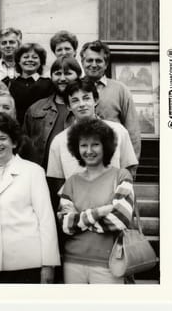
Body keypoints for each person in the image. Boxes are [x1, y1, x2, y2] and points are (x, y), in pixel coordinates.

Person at [0, 112, 60, 283]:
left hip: (27, 265)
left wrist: (48, 264)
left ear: (13, 142)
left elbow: (46, 219)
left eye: (3, 138)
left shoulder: (33, 172)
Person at [57, 118, 134, 284]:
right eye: (83, 145)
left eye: (95, 144)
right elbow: (65, 224)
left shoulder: (121, 176)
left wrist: (79, 221)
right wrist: (100, 212)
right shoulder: (71, 182)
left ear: (105, 146)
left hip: (110, 263)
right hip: (72, 263)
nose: (89, 150)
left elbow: (120, 220)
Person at [47, 78, 138, 183]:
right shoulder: (59, 141)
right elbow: (57, 181)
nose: (82, 104)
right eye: (75, 101)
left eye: (86, 98)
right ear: (68, 106)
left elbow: (129, 169)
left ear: (95, 100)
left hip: (113, 197)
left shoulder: (118, 132)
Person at [80, 40, 141, 159]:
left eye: (98, 61)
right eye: (89, 60)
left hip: (113, 160)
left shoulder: (120, 90)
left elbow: (133, 132)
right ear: (82, 62)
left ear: (106, 64)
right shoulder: (74, 89)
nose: (93, 64)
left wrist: (130, 170)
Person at [22, 56, 81, 170]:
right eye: (58, 73)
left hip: (75, 176)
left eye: (68, 73)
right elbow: (23, 147)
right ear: (51, 77)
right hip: (40, 176)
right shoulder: (35, 109)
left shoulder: (85, 109)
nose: (62, 78)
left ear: (78, 76)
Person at [9, 43, 53, 125]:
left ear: (41, 62)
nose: (30, 60)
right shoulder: (11, 84)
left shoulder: (48, 84)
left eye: (35, 57)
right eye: (25, 57)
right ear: (18, 61)